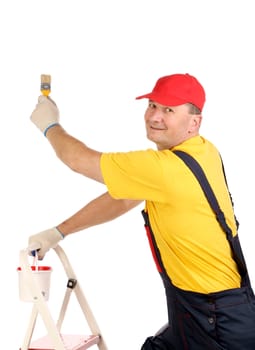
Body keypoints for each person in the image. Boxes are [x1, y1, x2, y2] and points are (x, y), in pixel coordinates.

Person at [28, 73, 255, 349]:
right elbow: (123, 198)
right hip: (206, 308)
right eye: (152, 105)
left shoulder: (164, 169)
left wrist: (49, 124)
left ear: (194, 122)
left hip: (215, 320)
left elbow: (77, 160)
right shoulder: (203, 151)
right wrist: (59, 232)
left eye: (169, 110)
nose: (155, 116)